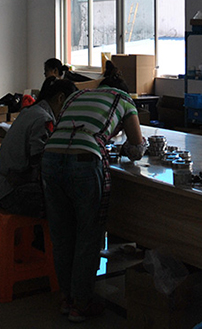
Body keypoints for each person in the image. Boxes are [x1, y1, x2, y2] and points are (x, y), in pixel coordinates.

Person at [41, 61, 147, 323]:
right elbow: (137, 147)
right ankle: (82, 304)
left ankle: (67, 299)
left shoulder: (76, 95)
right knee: (87, 235)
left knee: (62, 235)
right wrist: (128, 147)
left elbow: (68, 128)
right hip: (84, 162)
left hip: (50, 157)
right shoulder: (124, 100)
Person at [0, 77, 77, 217]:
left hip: (1, 188)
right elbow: (40, 163)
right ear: (60, 98)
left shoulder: (30, 111)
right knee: (69, 200)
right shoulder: (43, 119)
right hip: (13, 193)